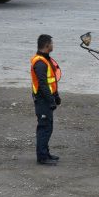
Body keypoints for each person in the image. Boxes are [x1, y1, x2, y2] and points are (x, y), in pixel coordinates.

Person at [31, 34, 61, 165]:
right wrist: (51, 100)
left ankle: (45, 153)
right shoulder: (40, 62)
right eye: (52, 43)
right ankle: (42, 157)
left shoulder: (45, 60)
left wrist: (56, 96)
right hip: (43, 101)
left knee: (48, 127)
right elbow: (42, 84)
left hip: (46, 99)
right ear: (47, 45)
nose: (53, 45)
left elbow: (51, 81)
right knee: (44, 128)